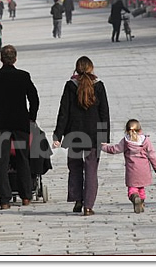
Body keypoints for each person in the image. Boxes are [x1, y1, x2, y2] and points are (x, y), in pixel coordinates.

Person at [53, 56, 110, 216]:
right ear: (91, 68)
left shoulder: (70, 86)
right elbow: (104, 113)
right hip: (93, 135)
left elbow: (64, 112)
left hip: (74, 134)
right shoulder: (98, 86)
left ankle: (78, 200)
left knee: (75, 168)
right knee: (91, 170)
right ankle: (88, 206)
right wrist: (104, 136)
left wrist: (58, 135)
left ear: (76, 69)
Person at [0, 45, 40, 209]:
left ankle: (4, 200)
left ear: (1, 59)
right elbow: (34, 99)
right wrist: (31, 117)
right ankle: (26, 196)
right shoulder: (23, 76)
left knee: (1, 163)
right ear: (15, 59)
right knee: (23, 159)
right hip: (20, 124)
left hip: (0, 125)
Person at [100, 119, 156, 214]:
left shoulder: (126, 141)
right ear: (140, 129)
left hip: (132, 171)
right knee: (141, 188)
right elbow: (152, 155)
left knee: (132, 188)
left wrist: (103, 146)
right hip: (144, 171)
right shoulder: (146, 141)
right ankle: (141, 202)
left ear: (127, 130)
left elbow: (114, 149)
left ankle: (134, 197)